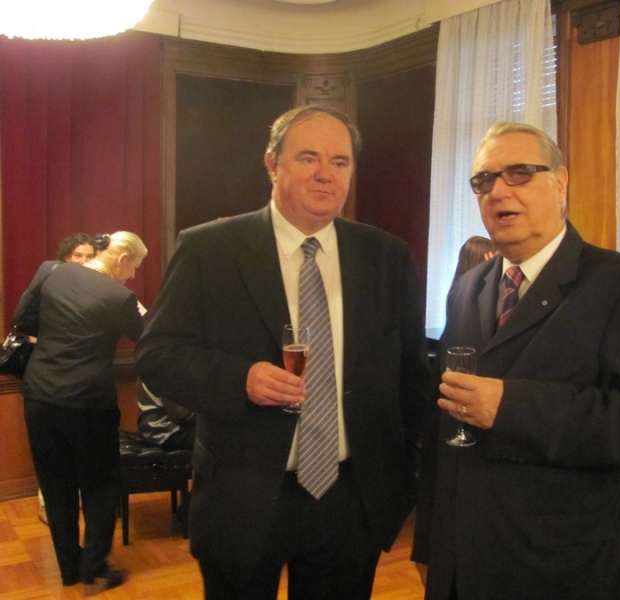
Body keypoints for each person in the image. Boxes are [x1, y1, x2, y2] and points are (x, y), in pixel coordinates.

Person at [135, 105, 430, 600]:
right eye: (308, 157)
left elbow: (410, 374)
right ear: (272, 164)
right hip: (243, 497)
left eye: (340, 161)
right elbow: (157, 354)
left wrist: (412, 472)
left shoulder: (386, 256)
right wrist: (240, 379)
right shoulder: (209, 249)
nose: (325, 173)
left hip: (350, 499)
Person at [411, 122, 620, 599]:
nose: (498, 191)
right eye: (484, 180)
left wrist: (512, 408)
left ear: (560, 182)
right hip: (463, 560)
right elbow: (445, 425)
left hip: (561, 565)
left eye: (519, 173)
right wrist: (430, 544)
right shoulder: (469, 288)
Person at [14, 231, 148, 594]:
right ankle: (95, 566)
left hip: (40, 397)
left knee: (55, 485)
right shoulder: (119, 297)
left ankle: (69, 570)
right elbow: (150, 340)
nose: (133, 275)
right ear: (122, 259)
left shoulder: (50, 271)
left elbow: (22, 320)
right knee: (100, 485)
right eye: (135, 266)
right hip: (89, 403)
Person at [34, 232, 98, 525]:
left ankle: (80, 501)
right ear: (65, 258)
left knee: (80, 451)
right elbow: (30, 325)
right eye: (77, 256)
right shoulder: (51, 282)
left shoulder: (98, 287)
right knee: (53, 454)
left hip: (84, 381)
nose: (83, 261)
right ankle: (48, 504)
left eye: (89, 256)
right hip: (50, 380)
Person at [137, 379, 196, 451]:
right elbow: (181, 417)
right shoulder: (166, 375)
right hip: (165, 433)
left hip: (155, 430)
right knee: (207, 433)